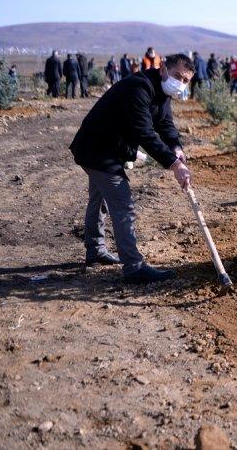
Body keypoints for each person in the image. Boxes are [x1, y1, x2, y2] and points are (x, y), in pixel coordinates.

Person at [69, 53, 194, 283]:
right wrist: (174, 164)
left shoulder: (162, 92)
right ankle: (134, 267)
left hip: (102, 148)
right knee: (123, 204)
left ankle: (95, 250)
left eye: (186, 80)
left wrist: (175, 146)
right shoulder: (140, 87)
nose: (181, 84)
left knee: (99, 199)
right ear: (164, 69)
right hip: (97, 149)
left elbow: (165, 123)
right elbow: (144, 133)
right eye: (178, 76)